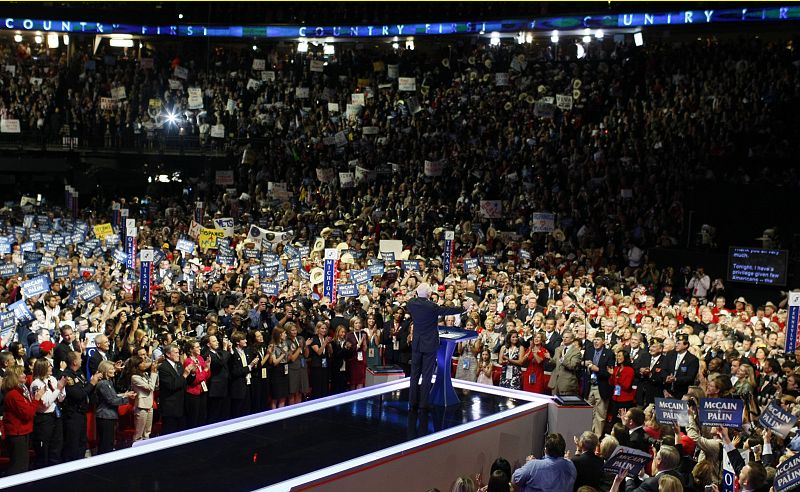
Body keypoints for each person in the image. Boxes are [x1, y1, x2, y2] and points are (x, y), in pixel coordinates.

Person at [406, 283, 468, 411]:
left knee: (414, 374)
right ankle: (423, 403)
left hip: (417, 343)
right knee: (427, 374)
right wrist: (463, 308)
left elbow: (412, 299)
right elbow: (448, 311)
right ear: (429, 294)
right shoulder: (432, 306)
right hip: (429, 344)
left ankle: (412, 402)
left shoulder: (411, 303)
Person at [2, 366, 46, 474]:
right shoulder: (13, 395)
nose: (24, 375)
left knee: (23, 464)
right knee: (18, 465)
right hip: (17, 434)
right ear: (14, 377)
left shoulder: (20, 391)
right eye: (21, 373)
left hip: (23, 432)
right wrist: (37, 398)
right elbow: (28, 414)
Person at [61, 351, 101, 461]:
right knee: (73, 444)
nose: (82, 360)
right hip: (72, 415)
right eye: (79, 358)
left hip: (81, 412)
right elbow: (78, 394)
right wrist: (92, 383)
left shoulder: (79, 373)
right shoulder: (67, 376)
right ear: (74, 362)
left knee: (82, 442)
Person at [29, 358, 66, 467]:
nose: (51, 367)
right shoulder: (36, 384)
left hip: (56, 416)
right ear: (42, 368)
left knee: (57, 445)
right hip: (44, 420)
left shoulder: (52, 379)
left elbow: (60, 399)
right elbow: (46, 402)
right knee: (44, 449)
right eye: (49, 366)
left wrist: (61, 389)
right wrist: (58, 389)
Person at [94, 360, 136, 454]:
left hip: (110, 416)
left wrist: (125, 394)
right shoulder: (103, 384)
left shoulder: (109, 382)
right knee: (105, 444)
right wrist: (126, 398)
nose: (114, 371)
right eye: (111, 369)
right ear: (105, 371)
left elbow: (114, 396)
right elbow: (112, 400)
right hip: (105, 416)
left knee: (109, 442)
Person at [512, 433, 577, 492]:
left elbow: (514, 480)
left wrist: (529, 465)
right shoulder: (571, 465)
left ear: (545, 449)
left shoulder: (533, 465)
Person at [158, 343, 193, 434]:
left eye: (179, 352)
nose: (178, 355)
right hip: (170, 408)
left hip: (181, 406)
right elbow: (172, 385)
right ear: (168, 354)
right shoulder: (163, 368)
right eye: (176, 353)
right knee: (170, 433)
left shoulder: (179, 365)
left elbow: (185, 382)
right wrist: (185, 375)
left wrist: (192, 373)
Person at [182, 338, 211, 429]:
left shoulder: (200, 358)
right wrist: (206, 370)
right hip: (193, 393)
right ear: (191, 350)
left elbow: (207, 375)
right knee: (194, 418)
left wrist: (207, 368)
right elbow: (194, 380)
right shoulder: (188, 361)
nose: (200, 349)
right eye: (197, 347)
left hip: (203, 391)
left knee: (202, 416)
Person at [129, 355, 159, 442]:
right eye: (142, 363)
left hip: (149, 405)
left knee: (147, 432)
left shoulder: (145, 374)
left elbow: (155, 386)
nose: (144, 364)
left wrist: (155, 372)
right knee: (139, 434)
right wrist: (153, 373)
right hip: (141, 406)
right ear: (136, 365)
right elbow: (150, 387)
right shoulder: (135, 377)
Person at [549, 330, 581, 395]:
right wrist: (549, 358)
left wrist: (563, 359)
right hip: (555, 382)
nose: (564, 339)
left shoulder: (576, 352)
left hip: (567, 384)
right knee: (553, 404)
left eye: (567, 337)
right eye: (563, 337)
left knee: (564, 404)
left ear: (572, 339)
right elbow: (556, 362)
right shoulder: (558, 349)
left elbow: (572, 366)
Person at [308, 321, 332, 399]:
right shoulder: (314, 339)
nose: (324, 330)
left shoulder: (325, 338)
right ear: (318, 329)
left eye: (325, 328)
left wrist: (329, 345)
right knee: (317, 387)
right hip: (316, 366)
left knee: (325, 386)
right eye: (322, 328)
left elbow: (330, 352)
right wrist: (325, 343)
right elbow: (319, 352)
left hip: (325, 365)